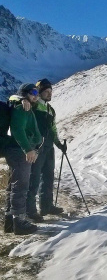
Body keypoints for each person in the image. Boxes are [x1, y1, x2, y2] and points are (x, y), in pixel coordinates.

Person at [3, 84, 42, 235]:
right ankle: (19, 222)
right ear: (25, 94)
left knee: (14, 185)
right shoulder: (21, 109)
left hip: (17, 151)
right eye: (33, 92)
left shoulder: (24, 107)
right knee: (21, 185)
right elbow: (18, 130)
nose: (35, 96)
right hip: (20, 152)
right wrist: (28, 149)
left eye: (37, 93)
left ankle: (9, 222)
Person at [25, 79, 66, 222]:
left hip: (48, 147)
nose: (49, 94)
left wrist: (59, 144)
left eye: (50, 92)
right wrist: (25, 100)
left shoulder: (50, 109)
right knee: (34, 178)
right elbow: (15, 99)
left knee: (48, 177)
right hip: (36, 147)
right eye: (46, 92)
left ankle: (46, 206)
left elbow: (53, 128)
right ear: (39, 92)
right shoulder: (32, 105)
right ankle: (30, 211)